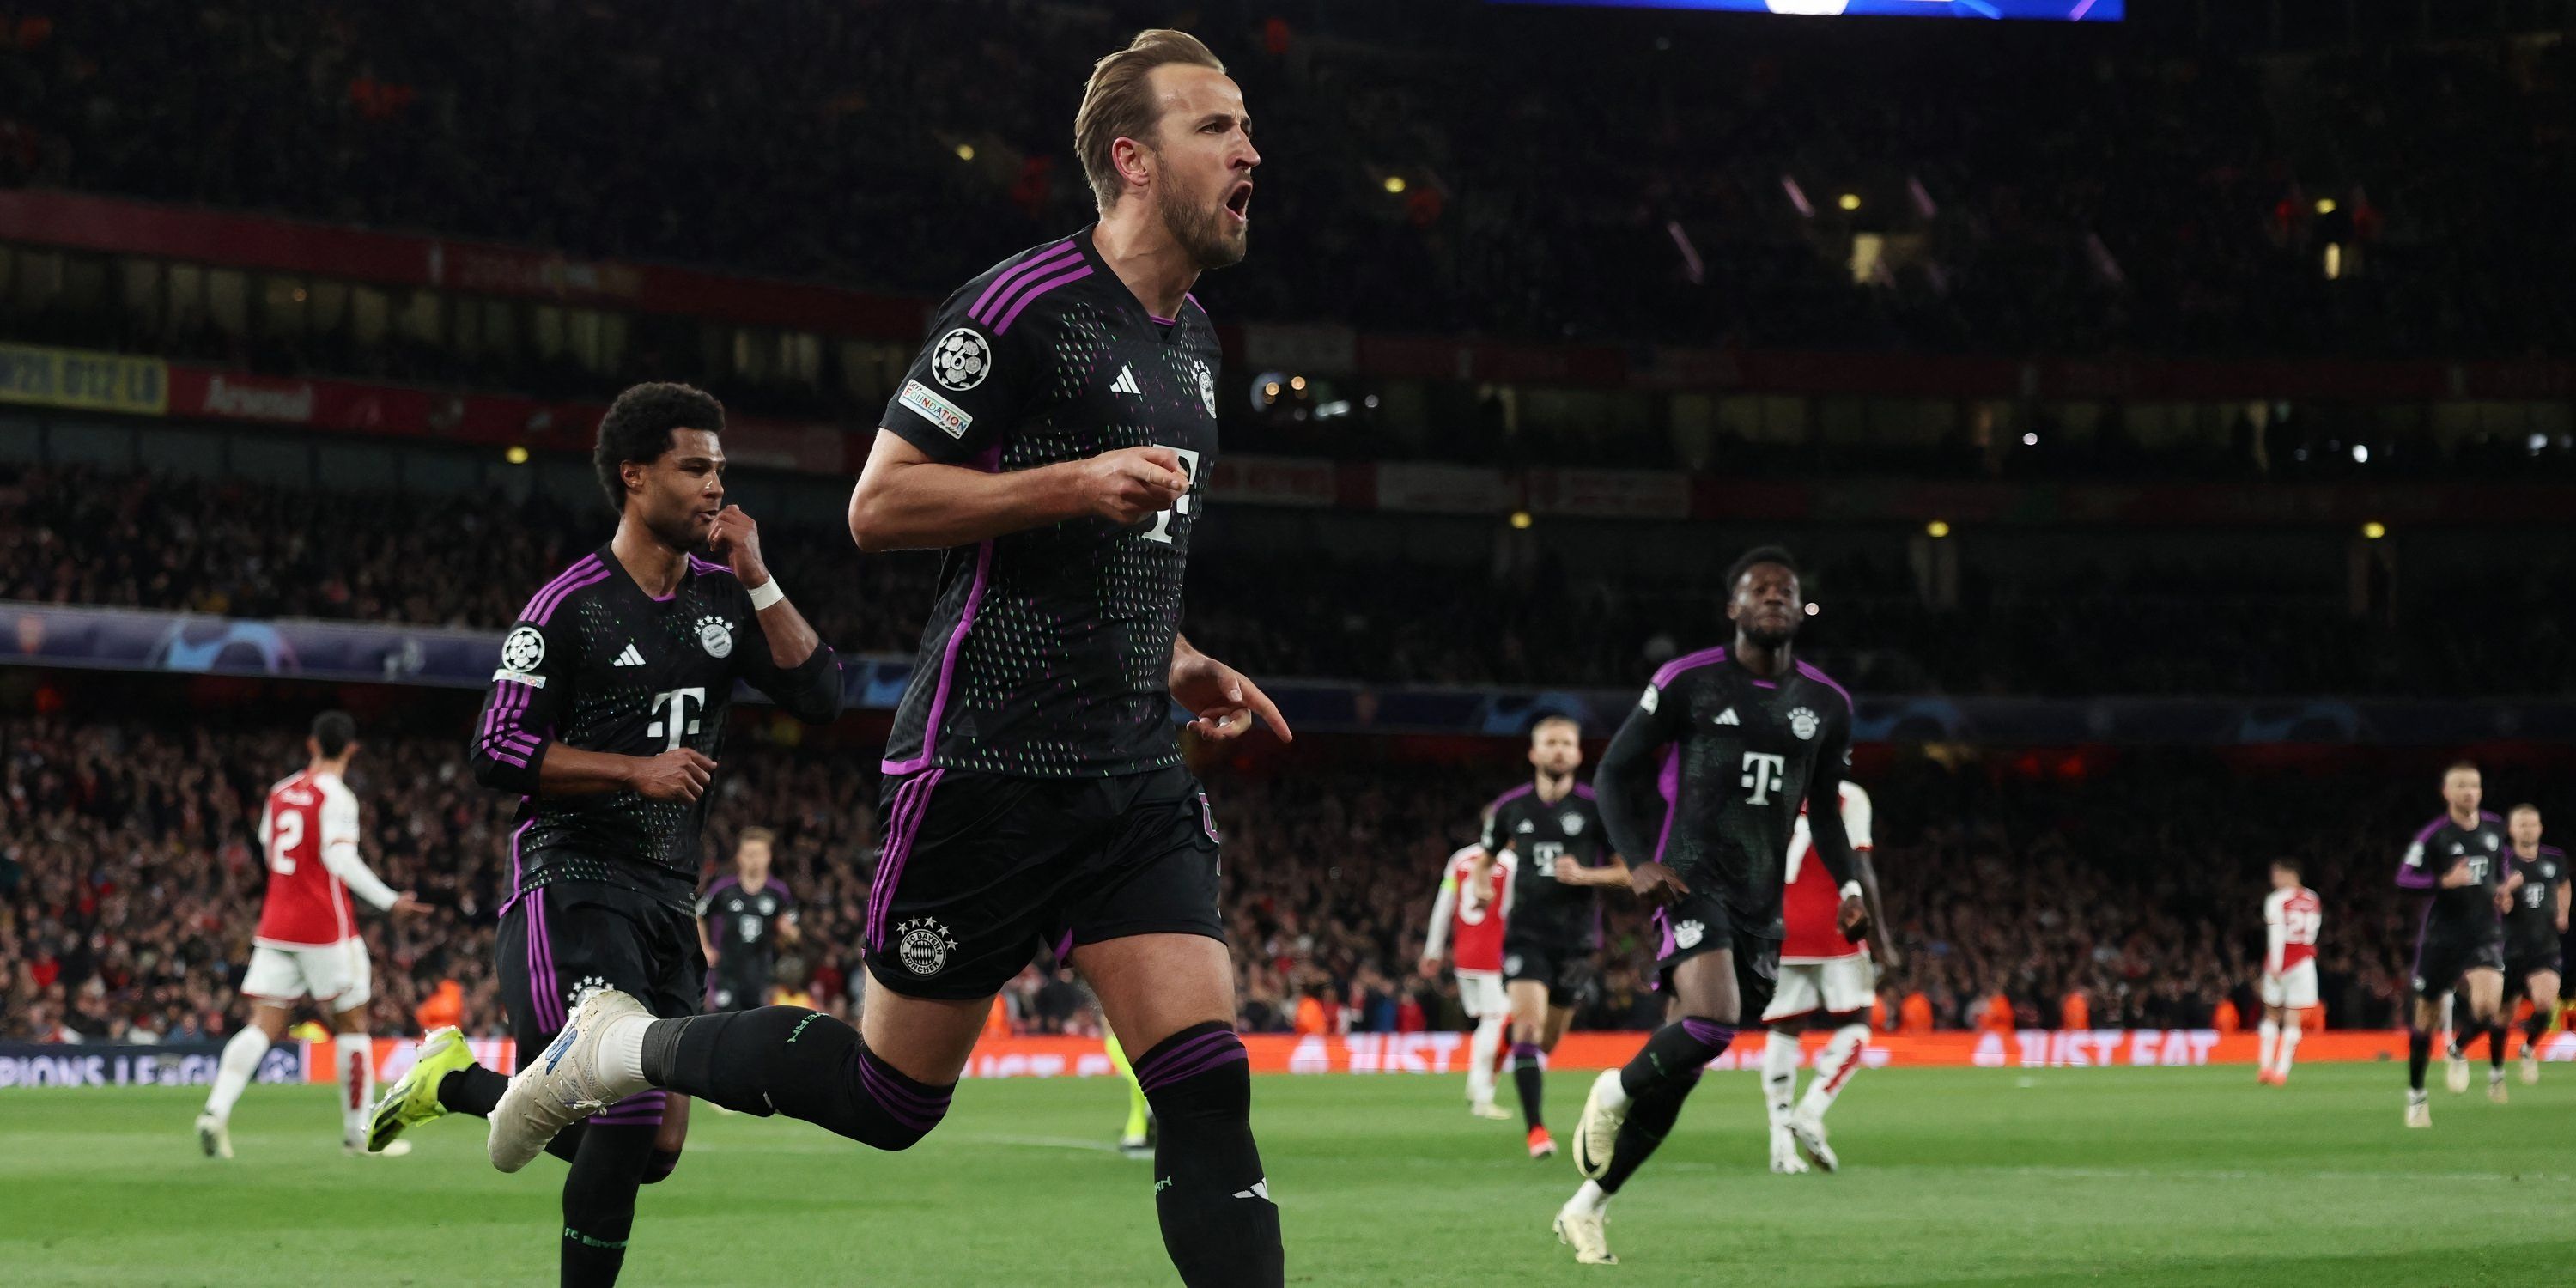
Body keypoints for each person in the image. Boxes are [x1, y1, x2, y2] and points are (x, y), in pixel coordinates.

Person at [479, 33, 1290, 1288]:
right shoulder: (1022, 307)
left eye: (1246, 126)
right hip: (988, 762)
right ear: (1133, 160)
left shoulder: (1194, 344)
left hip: (1130, 767)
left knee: (1208, 1087)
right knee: (890, 1097)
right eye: (1217, 128)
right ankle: (614, 1051)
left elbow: (1120, 557)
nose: (1251, 149)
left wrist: (1179, 657)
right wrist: (1073, 480)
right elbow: (881, 504)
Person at [365, 381, 847, 1286]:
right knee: (621, 1107)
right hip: (572, 884)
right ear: (635, 477)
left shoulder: (721, 599)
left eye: (721, 469)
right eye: (694, 468)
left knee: (655, 1146)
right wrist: (634, 768)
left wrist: (760, 576)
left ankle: (454, 1082)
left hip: (670, 899)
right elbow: (494, 747)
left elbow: (822, 695)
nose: (715, 487)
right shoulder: (567, 606)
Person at [1554, 547, 1869, 1266]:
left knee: (1685, 1069)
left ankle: (1587, 1207)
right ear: (1733, 607)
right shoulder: (1687, 683)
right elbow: (1612, 774)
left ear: (1800, 610)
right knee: (1711, 1019)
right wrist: (1638, 862)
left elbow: (1824, 811)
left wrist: (1849, 888)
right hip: (1692, 880)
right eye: (1758, 590)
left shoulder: (1827, 705)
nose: (1774, 598)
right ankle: (1609, 1090)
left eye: (1786, 591)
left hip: (1764, 900)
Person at [195, 710, 429, 1159]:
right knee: (353, 1024)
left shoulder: (281, 792)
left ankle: (215, 1111)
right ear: (351, 750)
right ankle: (359, 1135)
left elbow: (269, 848)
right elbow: (339, 859)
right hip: (325, 928)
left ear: (312, 745)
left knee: (262, 1025)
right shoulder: (337, 797)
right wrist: (388, 900)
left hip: (277, 923)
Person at [1477, 716, 1624, 1157]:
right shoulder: (1511, 808)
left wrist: (1585, 875)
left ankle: (1511, 1041)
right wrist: (1483, 886)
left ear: (1578, 754)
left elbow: (1629, 873)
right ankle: (1536, 1131)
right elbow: (1485, 860)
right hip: (1526, 935)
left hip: (1577, 940)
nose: (1558, 750)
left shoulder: (1597, 808)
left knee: (1545, 1042)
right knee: (1529, 1026)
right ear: (1534, 754)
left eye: (1566, 744)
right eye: (1550, 743)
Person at [1757, 780, 1893, 1173]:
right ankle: (1812, 1109)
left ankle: (1780, 1145)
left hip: (1780, 922)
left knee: (1784, 1028)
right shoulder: (1848, 795)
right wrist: (1880, 938)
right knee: (1859, 1020)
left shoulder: (1775, 789)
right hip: (1831, 921)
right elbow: (1861, 867)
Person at [2396, 761, 2508, 1126]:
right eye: (2461, 786)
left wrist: (2503, 892)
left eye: (2474, 785)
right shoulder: (2434, 836)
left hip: (2483, 932)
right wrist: (2442, 883)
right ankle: (2416, 1095)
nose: (2469, 792)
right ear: (2446, 792)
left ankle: (2458, 1048)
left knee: (2489, 1007)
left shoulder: (2495, 828)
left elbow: (2498, 868)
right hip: (2443, 935)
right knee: (2425, 1018)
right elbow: (2404, 878)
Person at [1420, 839, 1515, 1121]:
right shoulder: (1510, 864)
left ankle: (1477, 1089)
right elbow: (1510, 910)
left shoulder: (1459, 859)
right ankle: (1481, 1095)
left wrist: (1433, 950)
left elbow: (1443, 906)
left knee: (1488, 1021)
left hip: (1464, 955)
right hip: (1492, 954)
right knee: (1496, 1022)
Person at [2498, 805, 2567, 1086]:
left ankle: (2528, 1048)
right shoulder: (2502, 862)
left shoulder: (2555, 859)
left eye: (2532, 824)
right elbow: (2494, 901)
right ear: (2512, 830)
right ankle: (2496, 1068)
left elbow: (2563, 885)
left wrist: (2563, 912)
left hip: (2545, 947)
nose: (2528, 829)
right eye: (2521, 825)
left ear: (2540, 828)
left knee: (2545, 1002)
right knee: (2502, 1016)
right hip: (2510, 948)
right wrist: (2506, 893)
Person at [696, 827, 800, 1011]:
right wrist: (706, 948)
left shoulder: (778, 892)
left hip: (761, 975)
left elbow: (793, 931)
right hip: (725, 974)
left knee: (756, 1027)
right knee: (725, 1024)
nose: (755, 860)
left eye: (759, 854)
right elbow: (699, 914)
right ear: (739, 857)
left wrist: (789, 933)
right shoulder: (723, 888)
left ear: (769, 856)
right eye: (749, 854)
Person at [2256, 859, 2321, 1086]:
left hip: (2281, 961)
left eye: (2276, 874)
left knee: (2272, 1013)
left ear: (2288, 874)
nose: (2273, 879)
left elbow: (2276, 934)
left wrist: (2275, 965)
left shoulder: (2277, 900)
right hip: (2304, 962)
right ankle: (2282, 1071)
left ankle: (2266, 1067)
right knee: (2293, 1018)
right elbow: (2312, 934)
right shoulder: (2313, 899)